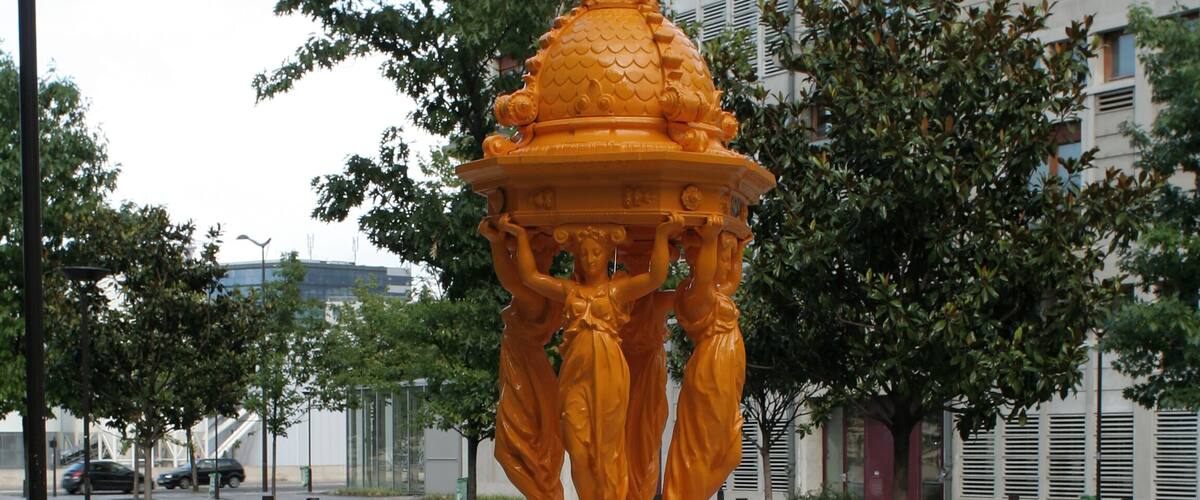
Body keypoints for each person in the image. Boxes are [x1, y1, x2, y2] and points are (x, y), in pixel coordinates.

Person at [499, 213, 684, 500]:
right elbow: (530, 277)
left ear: (606, 253)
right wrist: (519, 238)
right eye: (584, 253)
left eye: (597, 252)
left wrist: (663, 235)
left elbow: (655, 277)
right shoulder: (569, 292)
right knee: (577, 445)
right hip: (575, 376)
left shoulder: (616, 291)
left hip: (609, 374)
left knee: (608, 451)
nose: (591, 258)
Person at [664, 215, 751, 500]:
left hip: (728, 365)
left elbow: (734, 277)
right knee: (708, 444)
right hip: (713, 369)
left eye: (726, 259)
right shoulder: (696, 293)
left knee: (725, 448)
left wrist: (738, 249)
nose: (726, 266)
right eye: (721, 259)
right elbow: (704, 275)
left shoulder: (717, 292)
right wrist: (712, 237)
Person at [479, 218, 565, 500]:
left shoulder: (535, 295)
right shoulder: (548, 293)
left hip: (526, 370)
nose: (516, 258)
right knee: (528, 447)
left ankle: (545, 496)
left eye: (522, 253)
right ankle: (545, 494)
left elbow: (509, 279)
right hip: (528, 368)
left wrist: (496, 244)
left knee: (510, 448)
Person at [615, 247, 675, 500]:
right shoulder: (619, 296)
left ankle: (639, 493)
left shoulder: (658, 300)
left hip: (648, 370)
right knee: (620, 434)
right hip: (622, 371)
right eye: (634, 260)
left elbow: (700, 292)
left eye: (643, 261)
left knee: (646, 436)